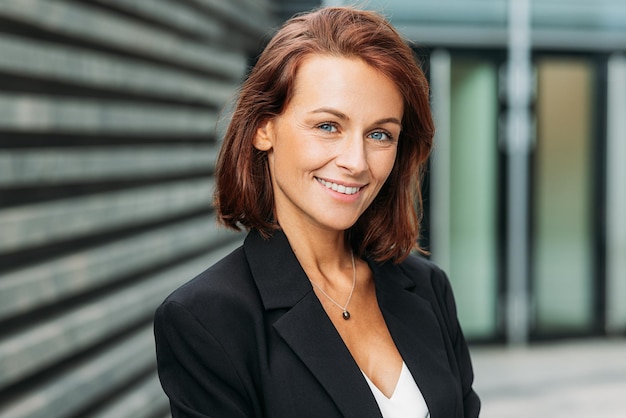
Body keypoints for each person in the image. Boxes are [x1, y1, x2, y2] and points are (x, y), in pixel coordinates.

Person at [154, 6, 480, 418]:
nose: (357, 162)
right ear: (262, 128)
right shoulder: (205, 319)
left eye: (380, 134)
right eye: (328, 126)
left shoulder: (427, 287)